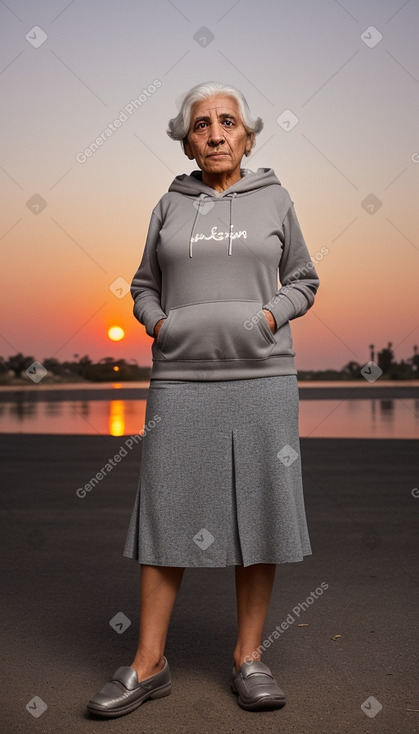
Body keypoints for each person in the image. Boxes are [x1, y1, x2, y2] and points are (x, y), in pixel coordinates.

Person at [87, 80, 319, 718]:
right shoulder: (169, 203)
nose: (215, 133)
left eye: (227, 122)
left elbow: (304, 278)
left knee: (261, 510)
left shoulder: (276, 198)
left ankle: (249, 657)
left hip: (263, 379)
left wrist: (269, 318)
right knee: (167, 512)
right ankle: (148, 662)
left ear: (247, 134)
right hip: (181, 381)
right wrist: (160, 324)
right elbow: (141, 285)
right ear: (185, 138)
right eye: (200, 125)